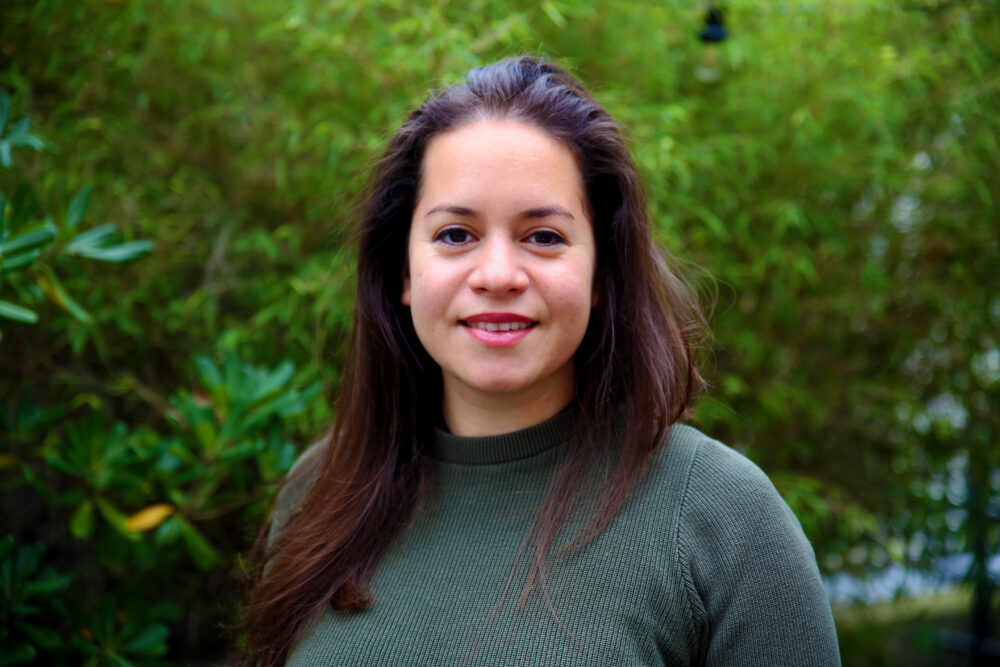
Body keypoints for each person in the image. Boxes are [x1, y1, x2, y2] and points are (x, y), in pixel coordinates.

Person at [237, 56, 841, 666]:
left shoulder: (722, 516)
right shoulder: (321, 492)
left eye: (544, 237)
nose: (498, 275)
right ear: (404, 273)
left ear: (601, 274)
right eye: (455, 235)